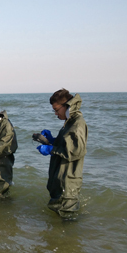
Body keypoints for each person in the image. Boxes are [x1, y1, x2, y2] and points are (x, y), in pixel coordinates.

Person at [36, 88, 88, 217]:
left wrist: (51, 150)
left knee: (67, 218)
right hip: (61, 178)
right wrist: (51, 141)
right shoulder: (69, 122)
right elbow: (67, 145)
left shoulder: (77, 123)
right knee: (58, 216)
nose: (55, 113)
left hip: (68, 181)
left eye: (56, 110)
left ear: (67, 106)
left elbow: (76, 151)